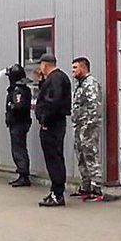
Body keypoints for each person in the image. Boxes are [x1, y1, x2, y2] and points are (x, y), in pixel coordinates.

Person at [34, 53, 72, 207]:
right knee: (52, 159)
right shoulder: (53, 78)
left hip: (52, 124)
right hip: (53, 123)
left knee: (54, 159)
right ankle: (55, 190)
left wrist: (45, 120)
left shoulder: (56, 78)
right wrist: (42, 82)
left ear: (45, 65)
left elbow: (53, 101)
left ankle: (58, 194)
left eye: (41, 65)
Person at [71, 57, 104, 201]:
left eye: (75, 68)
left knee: (90, 155)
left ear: (84, 68)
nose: (73, 71)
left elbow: (94, 106)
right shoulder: (80, 84)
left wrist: (88, 126)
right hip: (79, 126)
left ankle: (96, 188)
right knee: (81, 156)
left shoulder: (90, 84)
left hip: (88, 127)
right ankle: (86, 186)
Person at [3, 63, 33, 188]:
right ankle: (22, 173)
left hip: (18, 123)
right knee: (19, 148)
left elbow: (18, 106)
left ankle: (23, 175)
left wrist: (11, 107)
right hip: (20, 123)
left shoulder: (18, 90)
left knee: (19, 149)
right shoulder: (21, 88)